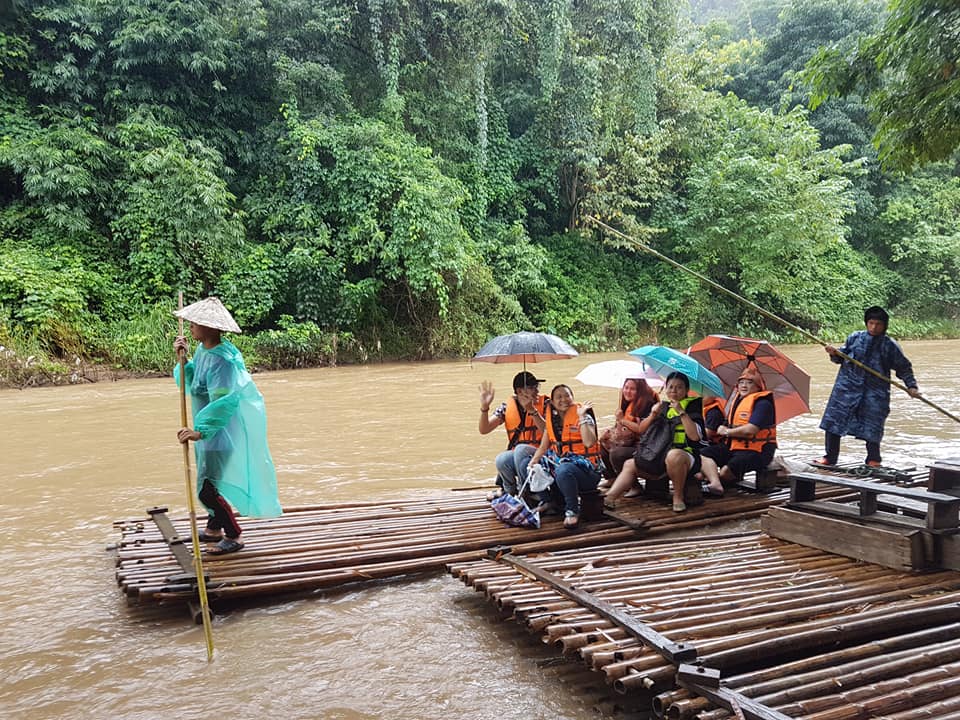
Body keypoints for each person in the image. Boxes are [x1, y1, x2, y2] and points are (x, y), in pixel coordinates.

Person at [173, 297, 282, 555]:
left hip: (219, 432)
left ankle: (234, 534)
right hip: (209, 432)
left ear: (210, 327)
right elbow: (195, 384)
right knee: (209, 480)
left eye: (195, 323)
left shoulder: (222, 361)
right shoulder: (204, 351)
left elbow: (224, 401)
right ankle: (214, 529)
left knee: (207, 489)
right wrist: (184, 360)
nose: (191, 326)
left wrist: (200, 431)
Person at [816, 306, 921, 467]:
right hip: (846, 388)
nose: (874, 327)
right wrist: (833, 353)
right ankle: (830, 458)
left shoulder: (889, 345)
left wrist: (911, 386)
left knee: (873, 424)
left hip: (874, 392)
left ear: (884, 326)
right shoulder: (854, 338)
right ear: (866, 323)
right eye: (871, 323)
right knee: (834, 421)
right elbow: (841, 358)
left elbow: (903, 367)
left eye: (878, 324)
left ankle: (873, 459)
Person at [602, 372, 703, 513]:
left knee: (673, 455)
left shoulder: (692, 409)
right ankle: (610, 498)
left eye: (679, 387)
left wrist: (681, 412)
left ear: (686, 390)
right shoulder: (662, 407)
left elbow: (695, 437)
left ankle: (678, 497)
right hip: (659, 454)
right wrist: (653, 414)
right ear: (666, 389)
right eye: (670, 387)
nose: (674, 390)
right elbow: (642, 429)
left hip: (685, 457)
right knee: (630, 464)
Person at [529, 384, 602, 530]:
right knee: (533, 465)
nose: (564, 400)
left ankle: (572, 510)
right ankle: (549, 501)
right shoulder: (552, 420)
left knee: (563, 469)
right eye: (559, 397)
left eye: (567, 396)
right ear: (553, 402)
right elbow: (543, 447)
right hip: (563, 466)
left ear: (572, 397)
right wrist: (532, 463)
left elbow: (589, 442)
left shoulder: (584, 416)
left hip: (588, 471)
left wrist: (581, 416)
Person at [699, 367, 777, 496]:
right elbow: (728, 423)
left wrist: (727, 432)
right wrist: (722, 427)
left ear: (758, 387)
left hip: (758, 451)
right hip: (733, 447)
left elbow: (750, 430)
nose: (744, 386)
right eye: (741, 382)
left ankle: (719, 481)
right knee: (702, 454)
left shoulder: (763, 404)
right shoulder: (737, 401)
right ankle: (715, 483)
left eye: (749, 383)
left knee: (725, 472)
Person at [478, 371, 548, 497]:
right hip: (518, 457)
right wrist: (484, 408)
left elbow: (548, 432)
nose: (537, 391)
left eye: (537, 386)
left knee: (520, 450)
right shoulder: (506, 407)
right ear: (519, 391)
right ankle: (509, 490)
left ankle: (525, 491)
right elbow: (484, 429)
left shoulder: (547, 404)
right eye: (532, 387)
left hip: (542, 454)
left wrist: (532, 410)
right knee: (502, 458)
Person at [599, 377, 659, 483]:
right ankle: (612, 478)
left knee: (616, 453)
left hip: (644, 446)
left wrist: (622, 419)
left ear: (640, 390)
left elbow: (641, 429)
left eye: (632, 389)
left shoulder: (647, 404)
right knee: (603, 443)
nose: (628, 391)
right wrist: (610, 432)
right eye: (626, 388)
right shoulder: (627, 403)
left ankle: (633, 485)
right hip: (631, 441)